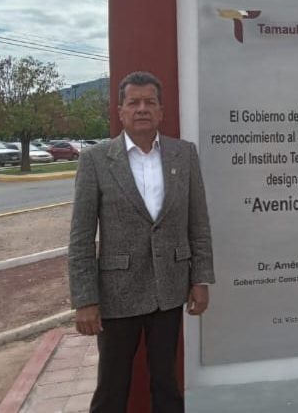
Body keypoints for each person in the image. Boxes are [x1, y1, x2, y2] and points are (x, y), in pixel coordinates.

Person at [68, 71, 214, 413]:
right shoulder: (96, 160)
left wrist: (200, 279)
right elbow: (81, 238)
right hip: (117, 294)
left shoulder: (184, 155)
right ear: (121, 111)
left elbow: (198, 223)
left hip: (170, 290)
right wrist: (85, 300)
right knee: (112, 386)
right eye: (134, 102)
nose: (142, 109)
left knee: (166, 383)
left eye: (150, 102)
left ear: (161, 111)